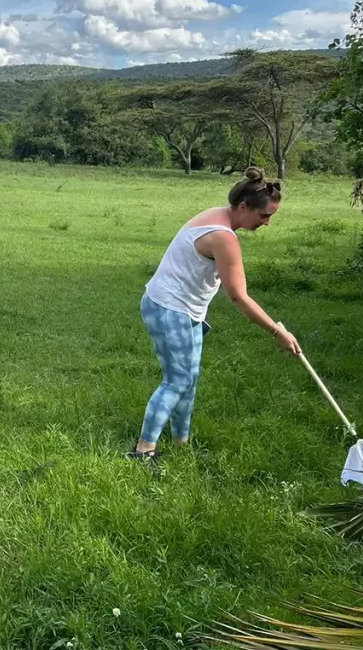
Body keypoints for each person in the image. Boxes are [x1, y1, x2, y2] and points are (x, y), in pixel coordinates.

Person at [129, 167, 303, 461]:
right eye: (265, 216)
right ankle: (143, 451)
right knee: (177, 381)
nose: (268, 223)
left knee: (189, 379)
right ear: (244, 207)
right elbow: (238, 296)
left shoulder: (219, 213)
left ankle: (181, 442)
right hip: (169, 308)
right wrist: (278, 332)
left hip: (185, 309)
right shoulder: (224, 237)